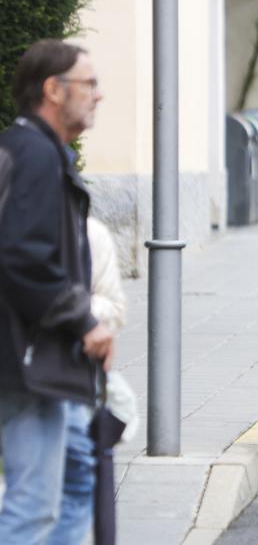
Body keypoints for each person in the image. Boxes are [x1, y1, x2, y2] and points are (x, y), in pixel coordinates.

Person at [0, 39, 114, 542]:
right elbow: (22, 256)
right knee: (31, 506)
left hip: (39, 355)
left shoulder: (31, 149)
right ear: (53, 89)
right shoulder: (35, 156)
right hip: (28, 358)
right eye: (88, 84)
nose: (98, 95)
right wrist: (84, 320)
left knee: (75, 477)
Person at [53, 216, 129, 544]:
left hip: (67, 375)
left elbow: (114, 307)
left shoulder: (89, 232)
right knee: (46, 495)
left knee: (72, 485)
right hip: (28, 378)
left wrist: (80, 313)